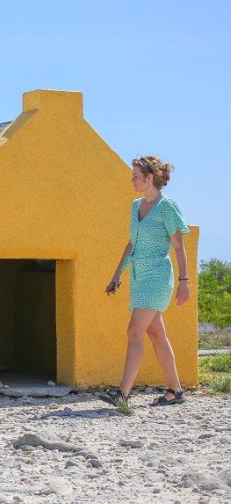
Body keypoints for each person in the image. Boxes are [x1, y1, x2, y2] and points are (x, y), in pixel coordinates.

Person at [101, 155, 191, 407]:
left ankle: (123, 395)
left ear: (150, 178)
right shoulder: (135, 206)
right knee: (156, 334)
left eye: (136, 176)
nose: (132, 180)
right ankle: (175, 391)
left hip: (158, 277)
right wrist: (117, 274)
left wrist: (184, 280)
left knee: (134, 331)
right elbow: (132, 242)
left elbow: (179, 246)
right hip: (140, 277)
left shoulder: (167, 207)